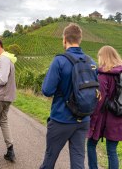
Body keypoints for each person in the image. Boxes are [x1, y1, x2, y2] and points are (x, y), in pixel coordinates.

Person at [40, 23, 96, 169]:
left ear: (64, 39)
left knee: (49, 160)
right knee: (78, 162)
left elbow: (47, 90)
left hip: (61, 119)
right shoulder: (91, 62)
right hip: (83, 120)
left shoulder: (60, 61)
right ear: (80, 39)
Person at [87, 46, 122, 169]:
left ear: (103, 57)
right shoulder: (120, 73)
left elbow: (99, 101)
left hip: (104, 118)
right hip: (119, 118)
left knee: (91, 144)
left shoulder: (103, 75)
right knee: (112, 151)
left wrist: (91, 119)